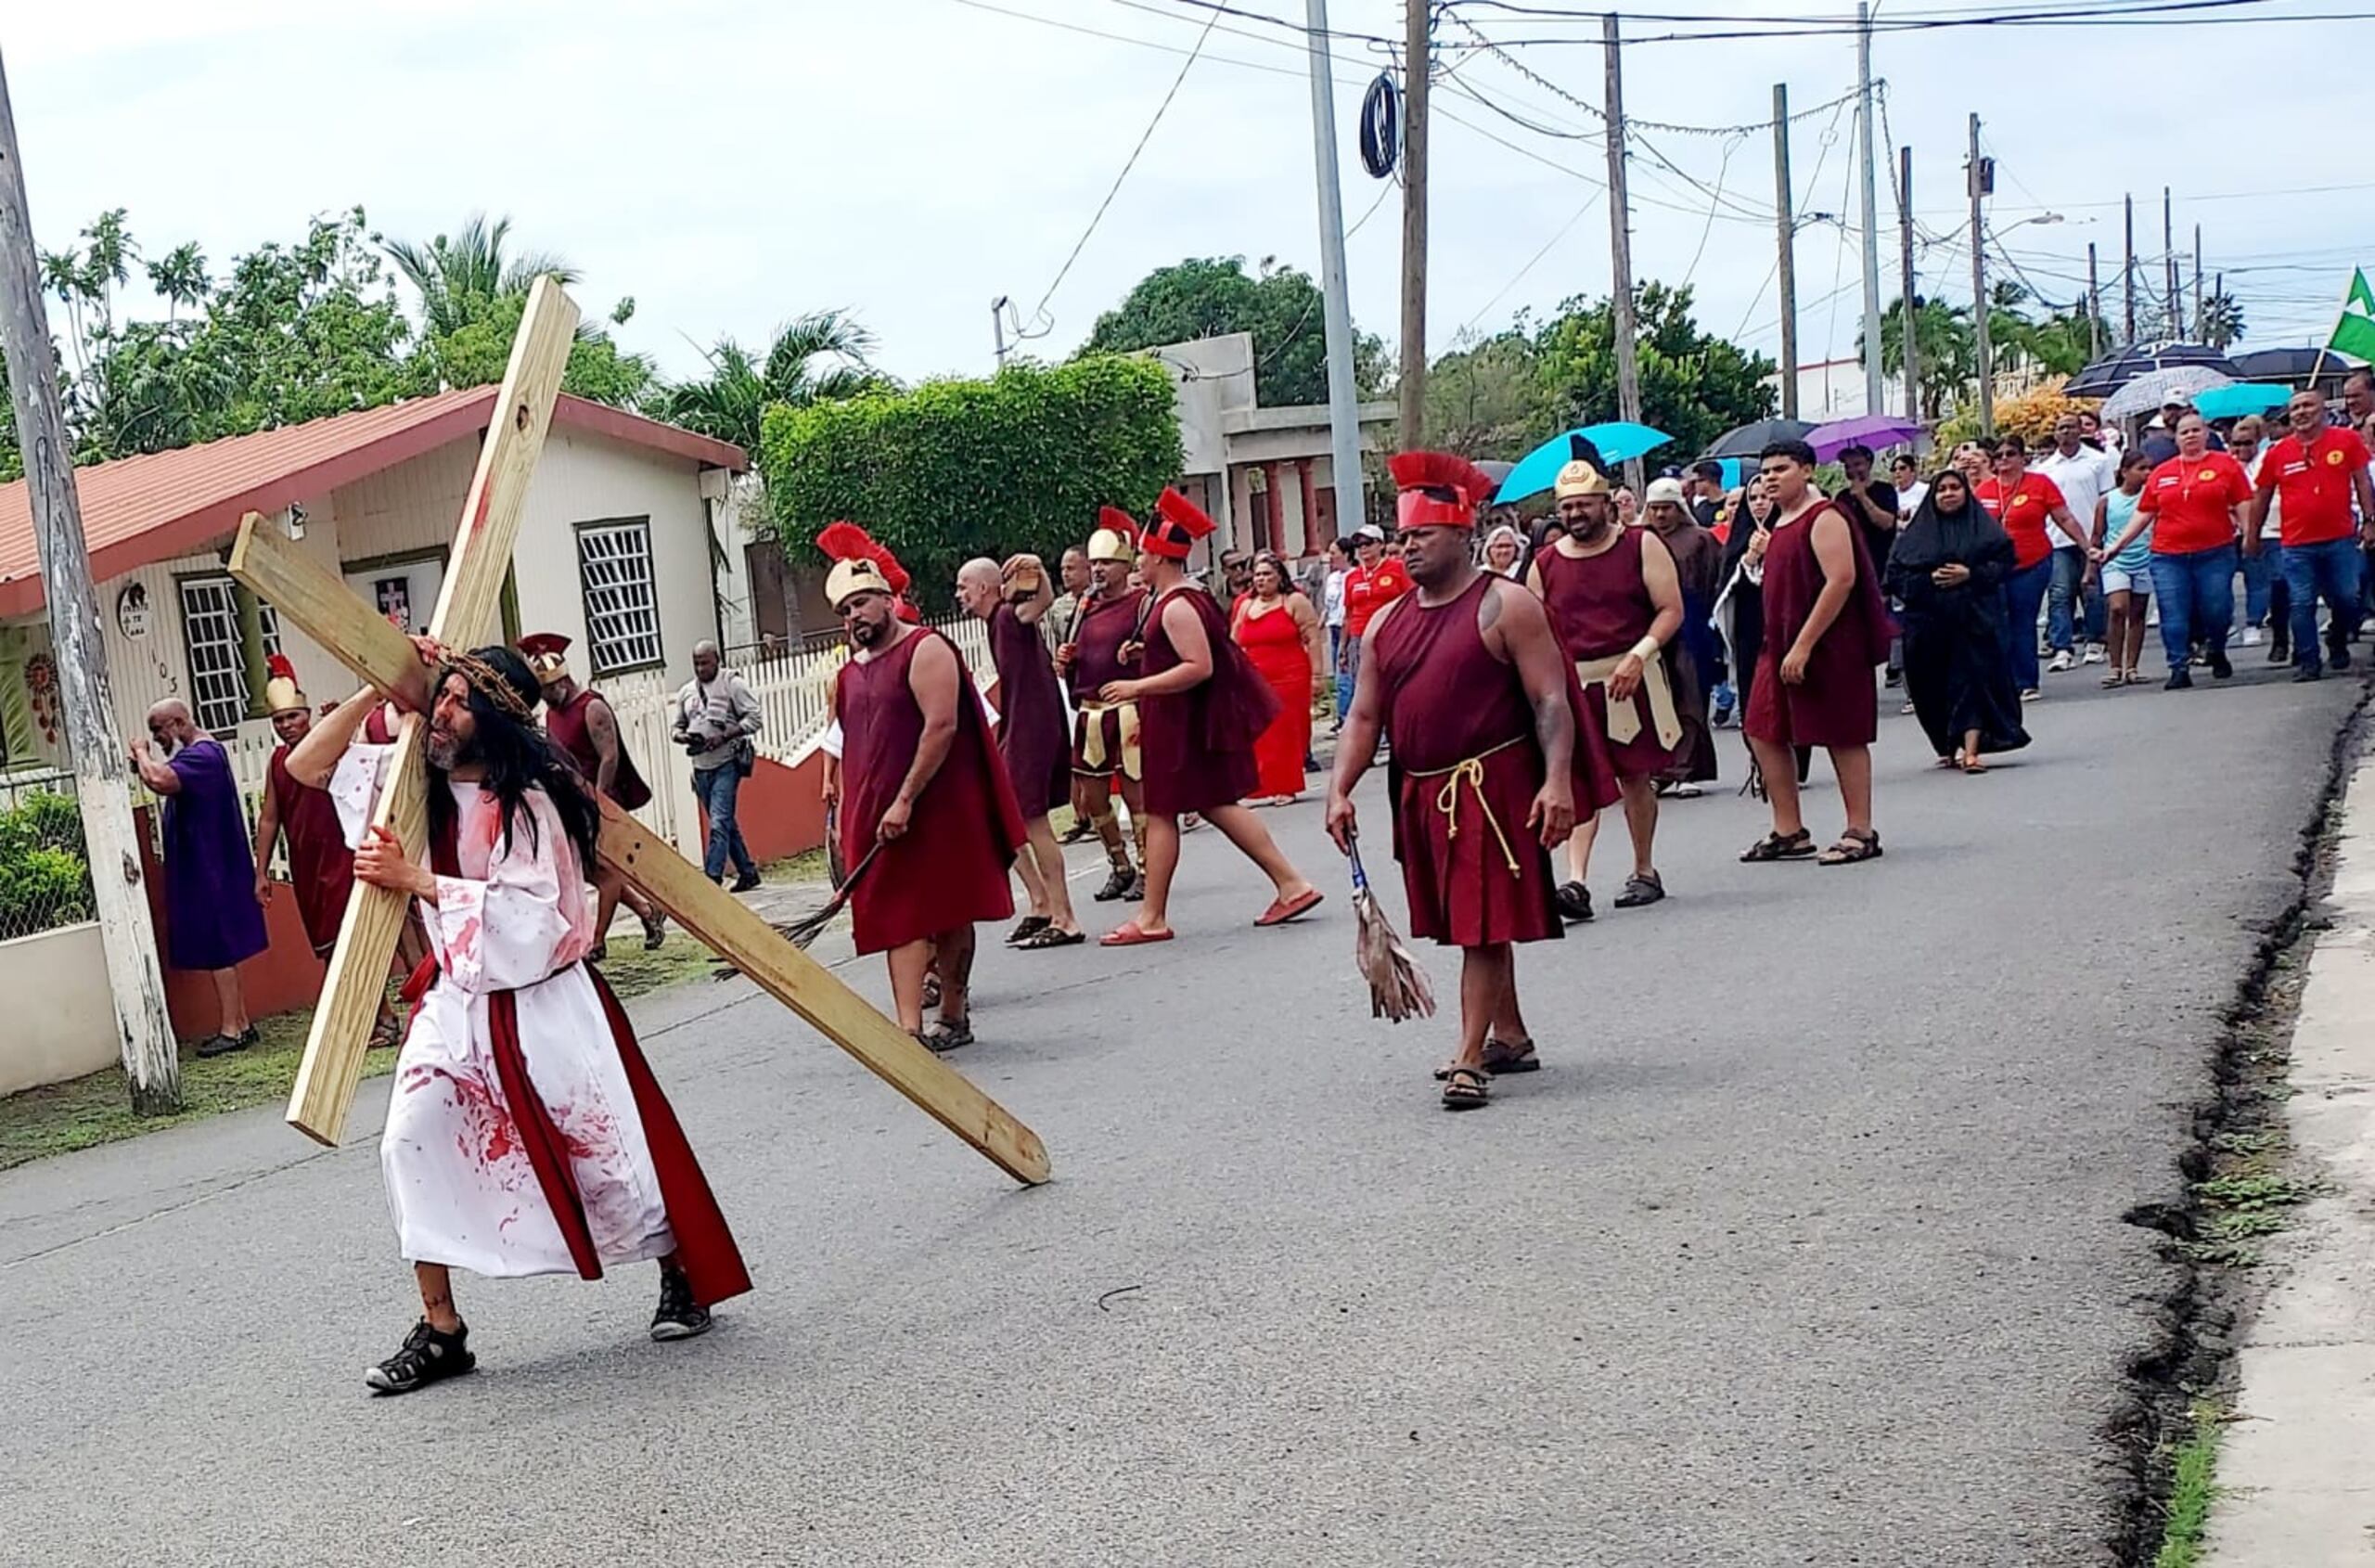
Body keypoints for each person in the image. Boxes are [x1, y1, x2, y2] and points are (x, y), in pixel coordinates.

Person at [289, 642, 750, 1394]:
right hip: (455, 1005)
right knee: (409, 1138)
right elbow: (308, 766)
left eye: (460, 701)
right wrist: (377, 687)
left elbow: (535, 922)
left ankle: (680, 1272)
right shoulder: (412, 781)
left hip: (544, 1002)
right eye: (440, 694)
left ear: (497, 720)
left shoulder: (531, 803)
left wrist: (417, 880)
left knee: (604, 1158)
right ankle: (442, 1330)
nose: (441, 711)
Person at [1328, 451, 1619, 1111]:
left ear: (1462, 534)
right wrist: (1339, 788)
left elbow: (1551, 703)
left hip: (1493, 791)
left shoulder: (1507, 605)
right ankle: (1508, 1034)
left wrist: (1557, 784)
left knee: (1481, 924)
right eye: (1403, 537)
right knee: (1472, 917)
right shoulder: (1383, 624)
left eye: (1421, 535)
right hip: (1423, 791)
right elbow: (1364, 714)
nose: (1408, 548)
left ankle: (1468, 1058)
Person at [822, 531, 1027, 1048]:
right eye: (845, 609)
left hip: (938, 806)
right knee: (898, 916)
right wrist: (854, 814)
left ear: (887, 600)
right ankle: (908, 1030)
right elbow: (855, 751)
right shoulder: (847, 675)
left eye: (862, 602)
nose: (855, 616)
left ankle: (953, 1016)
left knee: (948, 909)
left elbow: (941, 726)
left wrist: (906, 798)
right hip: (882, 818)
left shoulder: (925, 648)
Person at [1097, 487, 1323, 945]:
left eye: (1142, 553)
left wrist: (1137, 685)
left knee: (1165, 812)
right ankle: (1290, 884)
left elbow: (1198, 667)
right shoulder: (1181, 600)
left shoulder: (1177, 604)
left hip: (1181, 725)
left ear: (1161, 556)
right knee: (1215, 805)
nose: (1137, 561)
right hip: (1181, 722)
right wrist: (1146, 653)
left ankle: (1153, 916)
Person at [1528, 437, 1691, 915]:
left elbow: (1670, 610)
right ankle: (1576, 882)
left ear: (1605, 502)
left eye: (1584, 504)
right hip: (1571, 687)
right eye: (1568, 506)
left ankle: (1644, 869)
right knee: (1576, 782)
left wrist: (1640, 655)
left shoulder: (1642, 545)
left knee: (1635, 778)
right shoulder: (1546, 563)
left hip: (1630, 676)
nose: (1576, 514)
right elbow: (1533, 630)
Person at [1738, 440, 1894, 867]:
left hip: (1829, 643)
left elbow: (1840, 580)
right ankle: (1789, 829)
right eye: (1766, 470)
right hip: (1778, 643)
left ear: (1807, 471)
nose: (1770, 477)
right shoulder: (1779, 521)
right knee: (1762, 728)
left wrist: (1804, 644)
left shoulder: (1824, 517)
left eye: (1781, 469)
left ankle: (1860, 829)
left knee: (1842, 734)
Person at [249, 657, 405, 1048]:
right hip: (306, 865)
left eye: (294, 717)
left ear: (307, 716)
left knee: (354, 939)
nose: (287, 726)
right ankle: (375, 1018)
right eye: (280, 720)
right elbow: (269, 818)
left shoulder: (334, 749)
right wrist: (261, 871)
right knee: (328, 948)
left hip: (342, 855)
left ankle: (384, 1018)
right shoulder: (276, 762)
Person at [956, 552, 1085, 949]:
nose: (959, 594)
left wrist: (1039, 569)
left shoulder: (1009, 616)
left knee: (1032, 822)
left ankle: (1064, 918)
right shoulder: (997, 622)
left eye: (964, 586)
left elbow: (1041, 602)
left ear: (984, 588)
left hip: (1033, 726)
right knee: (1002, 818)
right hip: (1019, 723)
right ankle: (1041, 901)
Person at [131, 700, 268, 1058]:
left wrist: (142, 755)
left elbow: (160, 780)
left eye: (159, 730)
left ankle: (232, 1028)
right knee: (217, 945)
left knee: (217, 946)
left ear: (177, 723)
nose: (157, 738)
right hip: (206, 864)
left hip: (210, 865)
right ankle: (239, 1021)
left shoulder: (202, 756)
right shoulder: (201, 753)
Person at [520, 632, 667, 956]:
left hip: (598, 803)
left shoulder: (592, 708)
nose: (545, 698)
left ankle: (597, 940)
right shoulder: (551, 714)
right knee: (590, 872)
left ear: (561, 682)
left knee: (605, 873)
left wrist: (597, 801)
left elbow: (609, 756)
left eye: (546, 690)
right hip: (570, 803)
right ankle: (646, 912)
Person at [1884, 470, 2029, 771]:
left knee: (1971, 683)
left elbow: (2003, 564)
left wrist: (1970, 575)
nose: (1948, 494)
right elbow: (1896, 577)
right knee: (1932, 688)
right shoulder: (1915, 535)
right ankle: (1948, 746)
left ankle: (1972, 750)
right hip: (1927, 626)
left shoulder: (1984, 530)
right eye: (1942, 490)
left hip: (1973, 621)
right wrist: (1929, 579)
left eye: (1955, 488)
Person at [2251, 388, 2375, 681]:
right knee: (2301, 602)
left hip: (2340, 538)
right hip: (2296, 543)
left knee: (2348, 597)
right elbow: (2262, 496)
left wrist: (2370, 521)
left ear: (2323, 410)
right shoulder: (2278, 452)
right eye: (2295, 409)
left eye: (2308, 406)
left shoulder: (2346, 441)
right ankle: (2309, 660)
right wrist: (2252, 535)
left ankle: (2337, 637)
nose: (2302, 413)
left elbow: (2362, 482)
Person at [1058, 516, 1150, 903]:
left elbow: (1159, 651)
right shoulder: (1084, 606)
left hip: (1129, 708)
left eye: (1106, 563)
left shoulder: (1142, 603)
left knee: (1137, 795)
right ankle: (1120, 865)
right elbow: (1077, 654)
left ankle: (1148, 869)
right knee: (1093, 797)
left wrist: (1141, 652)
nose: (1098, 569)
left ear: (1125, 566)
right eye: (1094, 563)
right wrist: (1066, 661)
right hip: (1091, 710)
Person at [2133, 413, 2253, 689]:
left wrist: (2249, 535)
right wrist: (2114, 547)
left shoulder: (2226, 465)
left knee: (2217, 608)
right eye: (2184, 432)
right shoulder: (2162, 473)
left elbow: (2243, 502)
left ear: (2206, 434)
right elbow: (2144, 513)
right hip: (2169, 555)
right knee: (2173, 612)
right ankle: (2178, 666)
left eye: (2195, 430)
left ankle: (2217, 648)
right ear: (2175, 438)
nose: (2190, 436)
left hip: (2214, 552)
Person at [1975, 436, 2084, 700]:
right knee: (1999, 623)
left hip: (2032, 563)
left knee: (2022, 621)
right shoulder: (1984, 491)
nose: (2004, 459)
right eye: (1998, 455)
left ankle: (2026, 681)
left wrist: (2085, 544)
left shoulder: (2040, 484)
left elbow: (2064, 517)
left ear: (2023, 457)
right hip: (1994, 568)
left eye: (2010, 453)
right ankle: (2004, 682)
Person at [1640, 477, 1723, 793]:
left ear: (1679, 509)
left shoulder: (1700, 539)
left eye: (1667, 508)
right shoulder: (1639, 540)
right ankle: (1659, 770)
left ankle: (1686, 769)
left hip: (1692, 627)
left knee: (1690, 697)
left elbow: (1717, 581)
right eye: (1655, 509)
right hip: (1648, 629)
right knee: (1656, 701)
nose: (1660, 516)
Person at [671, 640, 762, 892]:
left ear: (717, 660)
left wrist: (724, 735)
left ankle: (712, 879)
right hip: (700, 767)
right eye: (696, 663)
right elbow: (676, 727)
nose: (700, 668)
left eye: (705, 663)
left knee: (719, 823)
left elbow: (754, 718)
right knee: (725, 823)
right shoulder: (687, 692)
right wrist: (684, 737)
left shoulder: (733, 684)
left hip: (726, 763)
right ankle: (748, 872)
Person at [1232, 554, 1323, 806]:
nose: (1261, 580)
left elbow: (1312, 639)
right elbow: (1235, 641)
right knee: (1260, 734)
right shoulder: (1245, 605)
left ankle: (1286, 785)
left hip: (1291, 677)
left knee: (1287, 732)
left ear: (1280, 577)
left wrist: (1317, 676)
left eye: (1267, 574)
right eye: (1258, 575)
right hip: (1256, 680)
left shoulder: (1294, 601)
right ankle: (1260, 785)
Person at [2035, 413, 2118, 670]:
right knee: (2059, 594)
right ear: (2055, 433)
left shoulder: (2098, 461)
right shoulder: (2045, 469)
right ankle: (2062, 647)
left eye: (2071, 427)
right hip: (2058, 540)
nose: (2066, 432)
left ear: (2080, 430)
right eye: (2061, 427)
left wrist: (2105, 535)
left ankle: (2096, 641)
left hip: (2093, 537)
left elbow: (2107, 500)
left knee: (2093, 593)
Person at [2090, 450, 2159, 687]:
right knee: (2118, 608)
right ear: (2124, 472)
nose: (2146, 474)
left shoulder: (2151, 497)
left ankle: (2132, 667)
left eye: (2149, 468)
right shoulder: (2108, 500)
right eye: (2140, 469)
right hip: (2115, 559)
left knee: (2138, 613)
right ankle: (2114, 665)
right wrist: (2090, 569)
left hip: (2144, 558)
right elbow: (2097, 536)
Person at [1832, 443, 1901, 571]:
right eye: (1847, 466)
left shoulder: (1885, 490)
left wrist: (1863, 497)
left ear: (1869, 464)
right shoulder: (1842, 497)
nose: (1852, 470)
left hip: (1880, 561)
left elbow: (1887, 524)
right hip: (1852, 563)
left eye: (1857, 464)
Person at [1321, 538, 1352, 726]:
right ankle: (1341, 715)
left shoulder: (1354, 575)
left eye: (1334, 552)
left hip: (1346, 627)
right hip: (1333, 625)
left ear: (1346, 554)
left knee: (1344, 676)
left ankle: (1346, 716)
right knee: (1337, 670)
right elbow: (1328, 605)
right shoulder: (1332, 578)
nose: (1331, 557)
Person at [1044, 546, 1090, 662]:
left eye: (1070, 568)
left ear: (1088, 569)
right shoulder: (1056, 607)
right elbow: (1052, 643)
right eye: (1062, 569)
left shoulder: (1099, 601)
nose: (1065, 574)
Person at [1689, 460, 1727, 530]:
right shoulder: (1700, 508)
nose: (1694, 485)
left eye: (1696, 481)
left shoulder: (1731, 504)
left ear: (1706, 480)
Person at [1892, 454, 1930, 521]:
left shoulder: (1925, 490)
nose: (1897, 472)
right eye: (1894, 469)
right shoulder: (1891, 494)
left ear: (1913, 471)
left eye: (1902, 468)